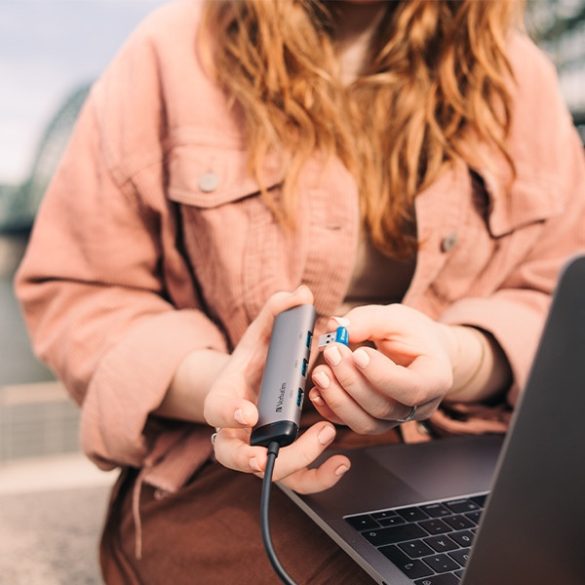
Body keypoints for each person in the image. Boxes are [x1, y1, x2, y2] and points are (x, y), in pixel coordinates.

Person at [15, 0, 585, 583]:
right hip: (239, 467)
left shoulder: (517, 76)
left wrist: (456, 357)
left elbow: (556, 297)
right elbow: (82, 293)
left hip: (479, 450)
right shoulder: (171, 53)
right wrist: (227, 386)